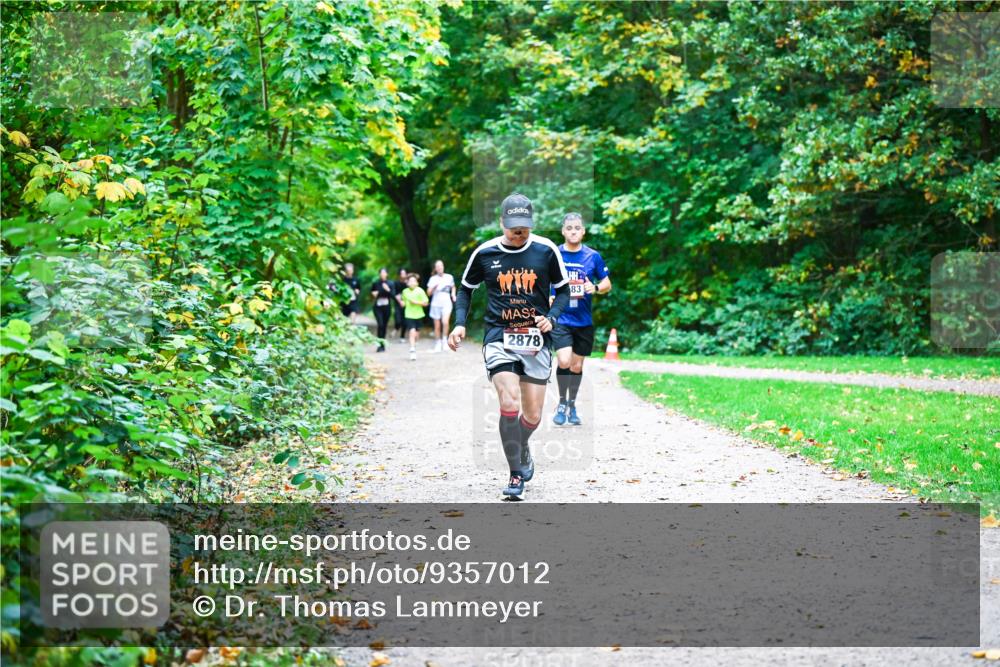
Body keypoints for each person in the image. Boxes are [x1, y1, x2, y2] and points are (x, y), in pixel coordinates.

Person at [448, 193, 570, 498]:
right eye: (514, 226)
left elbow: (564, 291)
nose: (519, 232)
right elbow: (465, 291)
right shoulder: (485, 253)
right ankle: (516, 474)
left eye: (524, 227)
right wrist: (460, 323)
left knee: (532, 416)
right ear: (502, 222)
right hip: (499, 337)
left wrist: (552, 318)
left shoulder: (546, 250)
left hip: (536, 340)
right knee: (509, 403)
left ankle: (522, 444)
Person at [551, 212, 611, 426]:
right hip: (561, 318)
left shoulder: (592, 256)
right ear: (563, 231)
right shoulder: (555, 254)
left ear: (583, 231)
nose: (573, 231)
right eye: (569, 228)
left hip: (583, 321)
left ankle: (572, 404)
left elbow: (607, 283)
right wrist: (549, 296)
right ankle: (560, 402)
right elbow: (544, 280)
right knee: (564, 361)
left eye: (577, 228)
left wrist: (593, 287)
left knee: (576, 367)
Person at [426, 260, 456, 353]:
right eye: (437, 266)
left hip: (446, 302)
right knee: (437, 326)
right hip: (436, 303)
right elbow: (428, 293)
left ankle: (444, 341)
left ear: (443, 266)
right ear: (435, 268)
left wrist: (453, 295)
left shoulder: (449, 277)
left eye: (441, 265)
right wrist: (433, 287)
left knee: (445, 322)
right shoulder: (433, 279)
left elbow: (453, 287)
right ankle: (438, 343)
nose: (440, 267)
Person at [401, 273, 429, 361]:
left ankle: (414, 344)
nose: (412, 282)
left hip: (419, 315)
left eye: (414, 281)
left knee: (416, 334)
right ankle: (412, 350)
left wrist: (416, 302)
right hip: (409, 315)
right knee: (412, 331)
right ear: (407, 283)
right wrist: (402, 303)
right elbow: (404, 302)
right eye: (410, 281)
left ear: (417, 283)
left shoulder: (420, 291)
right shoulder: (405, 291)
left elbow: (426, 303)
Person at [370, 268, 395, 353]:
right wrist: (373, 294)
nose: (382, 274)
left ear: (387, 274)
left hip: (387, 307)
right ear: (379, 274)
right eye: (381, 272)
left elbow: (393, 296)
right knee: (380, 324)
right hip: (377, 307)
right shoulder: (376, 283)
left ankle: (382, 344)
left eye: (384, 272)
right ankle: (379, 344)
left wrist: (388, 289)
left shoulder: (390, 283)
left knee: (384, 326)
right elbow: (372, 294)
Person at [393, 268, 408, 343]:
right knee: (398, 320)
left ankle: (402, 337)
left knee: (405, 322)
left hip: (407, 304)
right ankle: (396, 327)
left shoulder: (408, 283)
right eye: (402, 273)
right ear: (399, 275)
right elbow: (394, 294)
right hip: (398, 304)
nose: (403, 275)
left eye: (404, 273)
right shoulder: (395, 283)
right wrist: (400, 301)